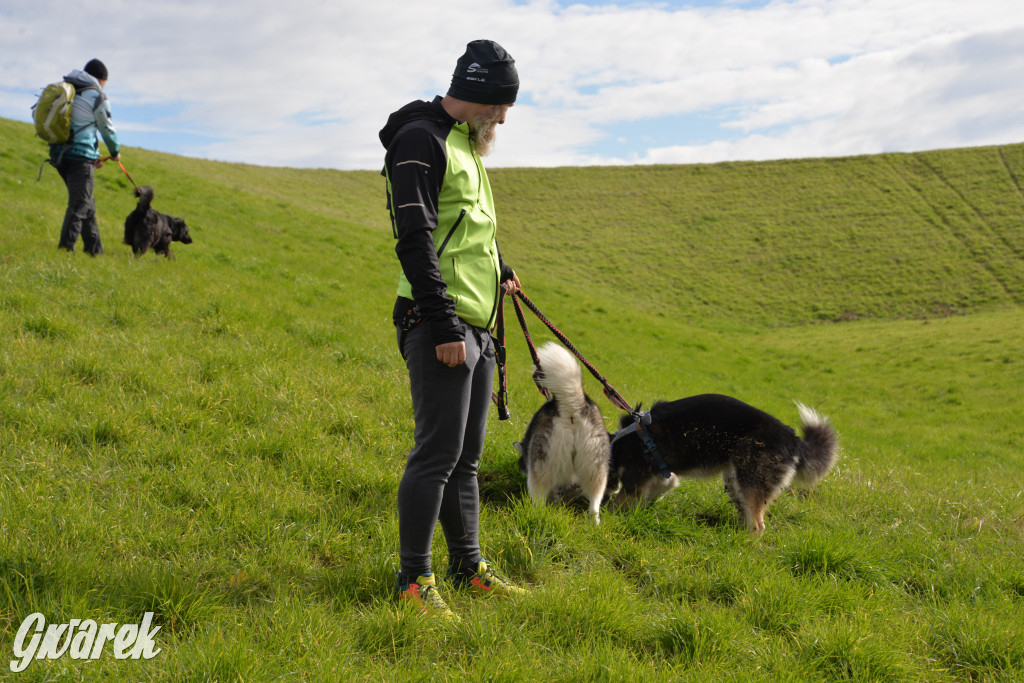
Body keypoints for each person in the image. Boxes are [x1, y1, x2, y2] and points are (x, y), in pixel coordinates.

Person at [379, 39, 526, 618]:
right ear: (483, 96)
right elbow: (415, 241)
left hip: (480, 322)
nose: (507, 118)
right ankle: (413, 580)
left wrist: (500, 269)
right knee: (436, 454)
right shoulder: (421, 141)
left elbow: (465, 232)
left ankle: (470, 569)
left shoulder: (467, 143)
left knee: (467, 457)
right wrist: (441, 323)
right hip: (438, 320)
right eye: (503, 106)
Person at [52, 58, 121, 255]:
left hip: (59, 153)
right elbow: (106, 128)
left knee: (86, 204)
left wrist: (93, 155)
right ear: (101, 79)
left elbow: (77, 124)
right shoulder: (96, 95)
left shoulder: (69, 88)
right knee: (79, 204)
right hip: (78, 157)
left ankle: (95, 252)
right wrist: (115, 152)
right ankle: (65, 252)